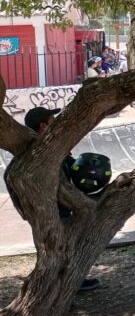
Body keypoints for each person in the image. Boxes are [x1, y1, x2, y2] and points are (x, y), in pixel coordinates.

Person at [4, 107, 100, 291]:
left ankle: (71, 282)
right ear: (43, 127)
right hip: (51, 211)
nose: (56, 123)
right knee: (57, 249)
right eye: (52, 120)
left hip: (58, 209)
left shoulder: (50, 150)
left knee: (64, 248)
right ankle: (60, 288)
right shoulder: (36, 157)